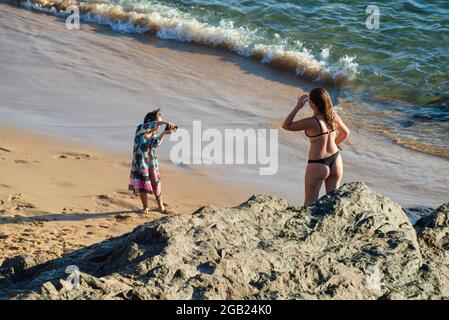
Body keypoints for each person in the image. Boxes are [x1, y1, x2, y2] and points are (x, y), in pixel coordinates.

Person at [282, 87, 350, 206]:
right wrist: (334, 143)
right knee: (332, 204)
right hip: (336, 160)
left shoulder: (312, 122)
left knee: (309, 203)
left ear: (313, 104)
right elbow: (345, 133)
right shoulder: (334, 116)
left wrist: (298, 106)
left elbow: (286, 125)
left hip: (318, 164)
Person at [129, 108, 176, 214]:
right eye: (158, 124)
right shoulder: (140, 130)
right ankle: (145, 207)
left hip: (151, 163)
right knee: (142, 186)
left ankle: (161, 207)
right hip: (140, 163)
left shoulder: (153, 135)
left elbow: (156, 144)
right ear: (150, 122)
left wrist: (164, 133)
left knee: (156, 183)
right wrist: (165, 122)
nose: (159, 126)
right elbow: (151, 124)